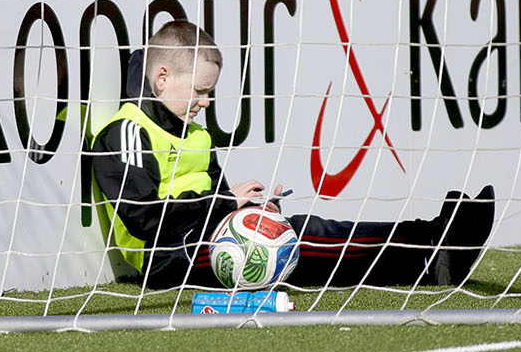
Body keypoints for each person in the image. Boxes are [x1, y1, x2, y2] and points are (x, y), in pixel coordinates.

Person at [89, 19, 495, 290]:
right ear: (162, 77)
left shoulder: (196, 134)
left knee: (292, 227)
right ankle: (428, 250)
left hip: (204, 240)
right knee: (302, 236)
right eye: (200, 91)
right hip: (165, 260)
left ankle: (433, 243)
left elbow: (214, 204)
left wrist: (250, 209)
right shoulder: (126, 132)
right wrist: (226, 203)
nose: (206, 102)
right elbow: (145, 220)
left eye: (209, 92)